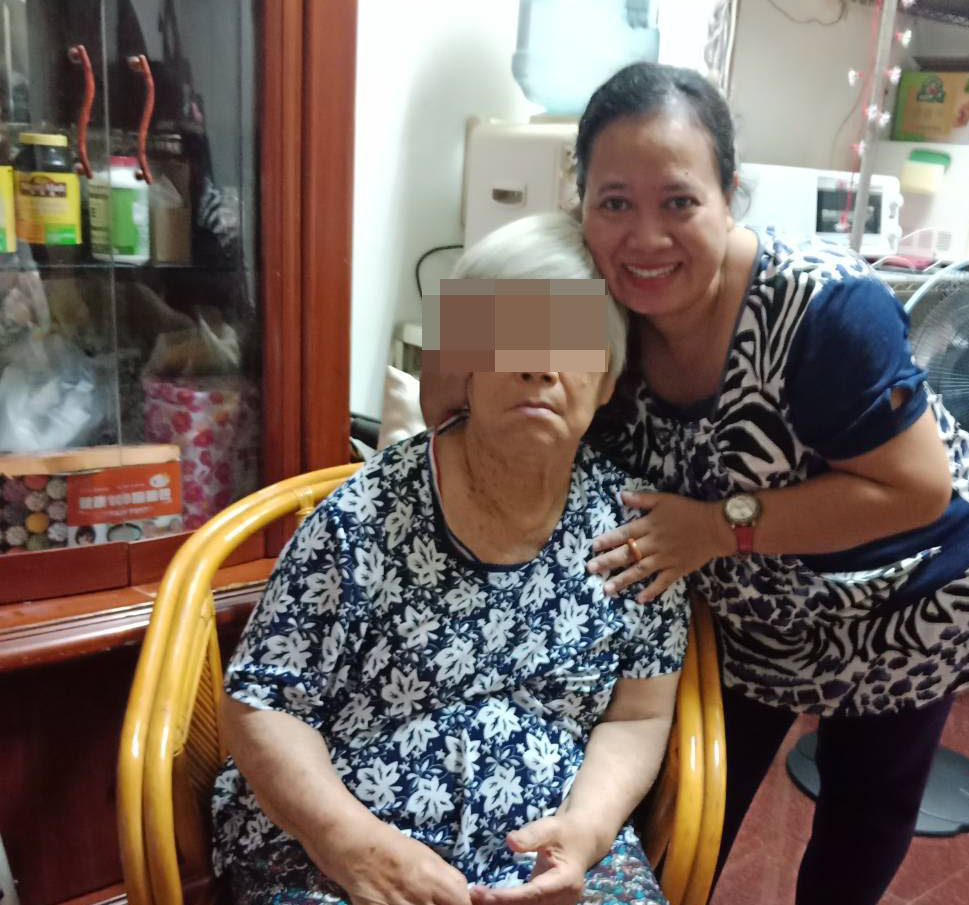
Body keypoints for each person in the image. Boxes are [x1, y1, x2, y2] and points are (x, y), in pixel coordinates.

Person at [423, 63, 969, 905]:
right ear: (580, 201)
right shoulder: (595, 293)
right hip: (750, 597)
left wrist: (715, 526)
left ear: (731, 195)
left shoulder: (824, 307)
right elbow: (447, 385)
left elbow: (918, 490)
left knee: (858, 825)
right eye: (614, 202)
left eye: (679, 201)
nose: (646, 238)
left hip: (906, 589)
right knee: (685, 805)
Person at [212, 212, 689, 905]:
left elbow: (637, 716)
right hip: (343, 854)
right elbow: (262, 703)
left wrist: (584, 833)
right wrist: (353, 846)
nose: (539, 364)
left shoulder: (636, 535)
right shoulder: (365, 514)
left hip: (553, 852)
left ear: (608, 377)